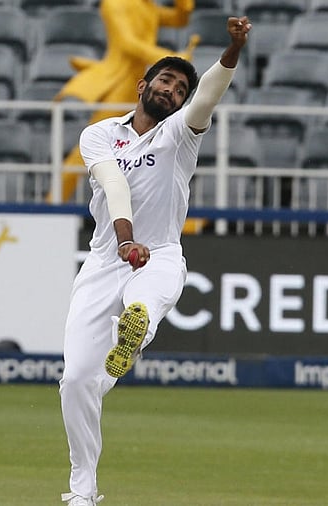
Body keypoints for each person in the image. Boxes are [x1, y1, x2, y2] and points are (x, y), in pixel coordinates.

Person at [57, 16, 251, 506]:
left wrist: (231, 51)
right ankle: (83, 492)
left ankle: (135, 331)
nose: (173, 90)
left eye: (180, 88)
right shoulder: (99, 134)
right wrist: (125, 242)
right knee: (76, 381)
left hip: (160, 253)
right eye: (165, 80)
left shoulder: (181, 134)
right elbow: (113, 184)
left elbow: (208, 96)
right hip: (105, 260)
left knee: (143, 302)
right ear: (143, 86)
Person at [53, 0, 199, 203]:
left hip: (144, 88)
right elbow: (127, 43)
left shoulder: (148, 7)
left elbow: (179, 19)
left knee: (157, 149)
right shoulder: (114, 3)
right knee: (94, 144)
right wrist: (171, 58)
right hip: (122, 84)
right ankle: (54, 201)